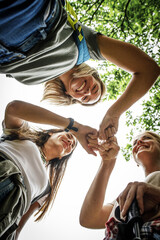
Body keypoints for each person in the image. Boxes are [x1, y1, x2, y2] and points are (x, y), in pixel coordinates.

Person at [0, 0, 159, 137]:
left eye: (85, 98)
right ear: (91, 74)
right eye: (95, 88)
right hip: (30, 12)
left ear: (70, 95)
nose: (88, 92)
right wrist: (113, 114)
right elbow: (148, 69)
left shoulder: (37, 79)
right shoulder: (86, 48)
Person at [0, 100, 98, 239]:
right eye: (69, 136)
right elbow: (13, 108)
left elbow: (18, 228)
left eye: (71, 147)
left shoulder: (46, 190)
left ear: (61, 156)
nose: (70, 142)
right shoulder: (23, 135)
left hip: (9, 210)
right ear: (51, 133)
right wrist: (73, 127)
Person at [79, 131, 160, 239]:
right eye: (135, 143)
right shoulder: (127, 196)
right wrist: (107, 162)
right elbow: (89, 219)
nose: (139, 142)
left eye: (147, 138)